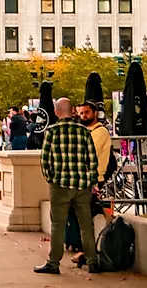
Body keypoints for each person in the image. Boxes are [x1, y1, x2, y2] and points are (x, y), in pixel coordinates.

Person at [36, 98, 100, 274]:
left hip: (60, 185)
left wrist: (51, 178)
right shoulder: (84, 131)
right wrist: (91, 180)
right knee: (86, 224)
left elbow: (45, 160)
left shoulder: (51, 132)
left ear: (56, 112)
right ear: (72, 111)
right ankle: (92, 260)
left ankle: (54, 262)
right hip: (81, 184)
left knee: (58, 224)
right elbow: (93, 159)